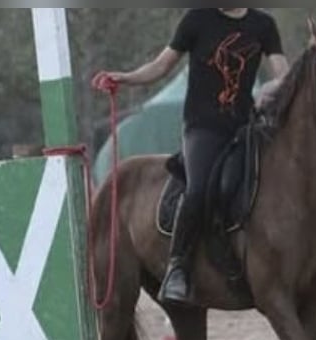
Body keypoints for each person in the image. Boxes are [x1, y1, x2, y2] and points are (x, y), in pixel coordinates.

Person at [93, 8, 289, 304]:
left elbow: (283, 76)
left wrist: (271, 90)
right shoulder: (196, 20)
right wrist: (125, 78)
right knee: (198, 190)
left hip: (244, 128)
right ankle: (178, 268)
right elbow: (160, 67)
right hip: (202, 128)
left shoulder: (263, 25)